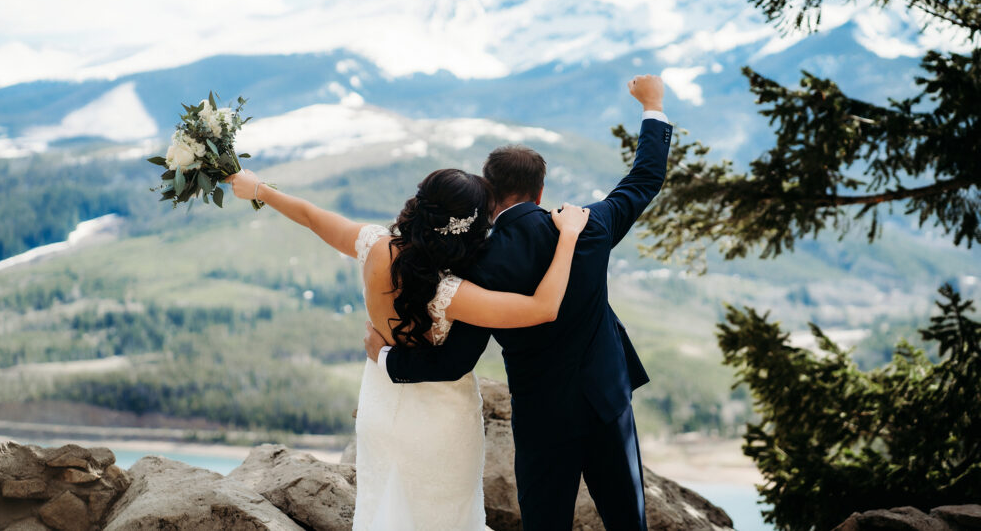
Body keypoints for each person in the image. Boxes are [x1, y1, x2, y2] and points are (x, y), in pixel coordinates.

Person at [364, 74, 671, 530]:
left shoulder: (478, 266)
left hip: (543, 417)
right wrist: (652, 104)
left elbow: (455, 362)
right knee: (629, 522)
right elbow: (644, 178)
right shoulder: (591, 224)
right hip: (607, 399)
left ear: (487, 196)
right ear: (541, 191)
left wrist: (387, 359)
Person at [226, 166, 590, 530]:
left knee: (382, 509)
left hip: (381, 409)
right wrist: (569, 237)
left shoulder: (372, 244)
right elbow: (544, 308)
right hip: (440, 424)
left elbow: (309, 216)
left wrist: (259, 188)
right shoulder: (451, 294)